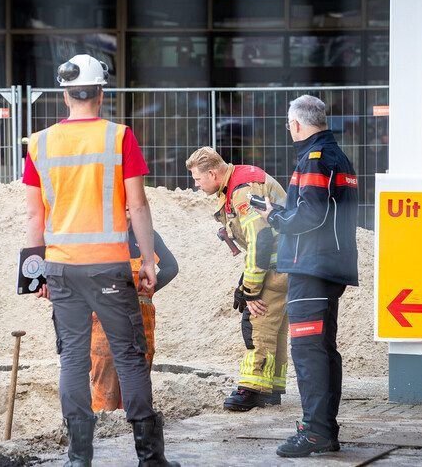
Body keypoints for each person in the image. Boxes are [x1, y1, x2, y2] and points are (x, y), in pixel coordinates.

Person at [23, 54, 178, 467]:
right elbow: (138, 206)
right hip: (109, 267)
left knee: (72, 358)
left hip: (59, 268)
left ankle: (79, 459)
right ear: (102, 93)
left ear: (65, 94)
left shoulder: (38, 143)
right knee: (128, 356)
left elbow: (34, 216)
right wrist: (148, 260)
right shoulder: (118, 137)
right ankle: (149, 458)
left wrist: (33, 274)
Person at [258, 95, 358, 458]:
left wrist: (274, 218)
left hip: (311, 267)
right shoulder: (335, 155)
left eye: (288, 125)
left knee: (308, 351)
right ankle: (324, 430)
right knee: (323, 350)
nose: (289, 130)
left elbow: (310, 214)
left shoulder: (314, 157)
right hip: (328, 266)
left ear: (297, 125)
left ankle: (315, 432)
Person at [185, 147, 289, 411]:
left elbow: (260, 239)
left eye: (198, 179)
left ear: (212, 173)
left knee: (257, 321)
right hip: (287, 261)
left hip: (279, 265)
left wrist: (251, 290)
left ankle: (252, 389)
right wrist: (246, 281)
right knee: (274, 327)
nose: (196, 185)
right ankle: (270, 389)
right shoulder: (239, 182)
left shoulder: (242, 190)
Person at [91, 220, 178, 411]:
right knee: (105, 369)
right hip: (106, 316)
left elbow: (171, 267)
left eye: (131, 208)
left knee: (138, 370)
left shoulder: (147, 237)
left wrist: (149, 290)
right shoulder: (98, 234)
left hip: (141, 316)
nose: (127, 213)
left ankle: (134, 421)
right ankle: (103, 419)